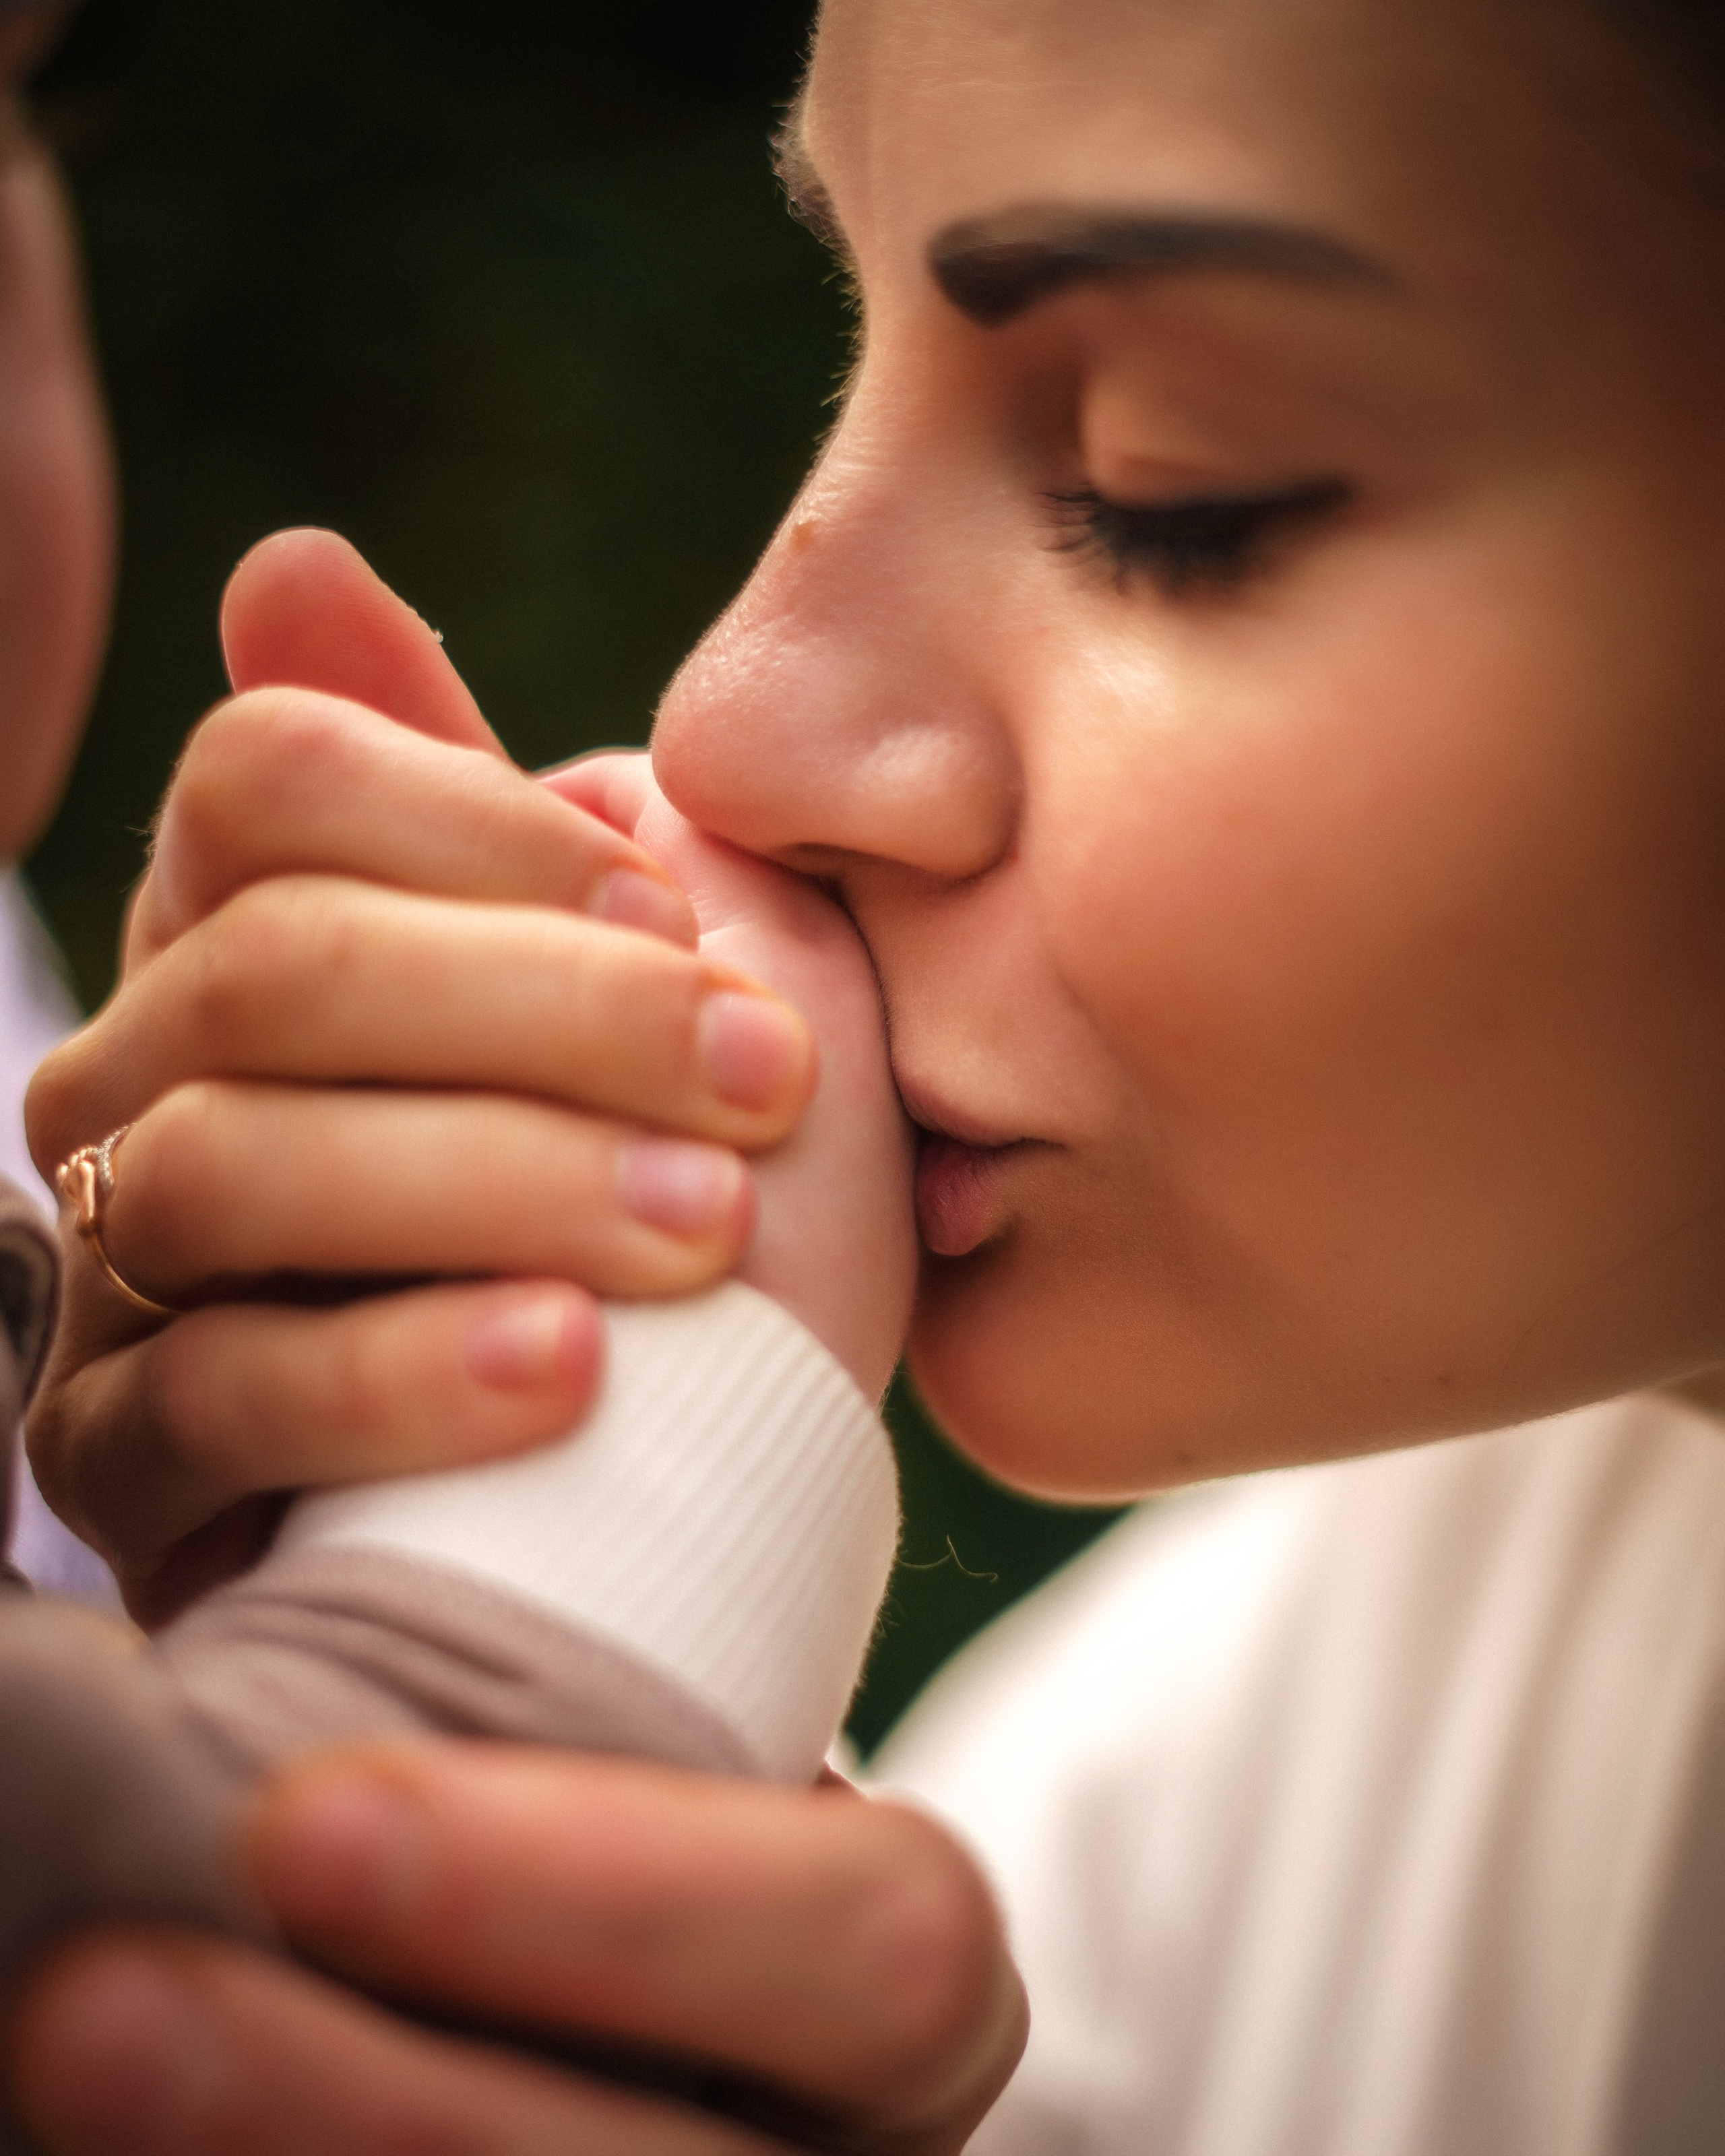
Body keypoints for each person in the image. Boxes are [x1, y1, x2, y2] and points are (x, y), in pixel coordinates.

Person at [21, 0, 1725, 2149]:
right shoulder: (1258, 1766)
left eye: (1166, 488)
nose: (729, 725)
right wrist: (513, 1634)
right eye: (860, 341)